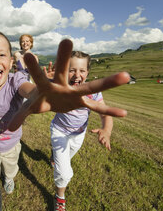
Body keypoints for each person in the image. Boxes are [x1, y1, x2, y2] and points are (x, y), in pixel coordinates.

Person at [0, 28, 130, 211]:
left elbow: (30, 90)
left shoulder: (16, 81)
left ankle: (9, 176)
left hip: (11, 144)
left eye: (1, 54)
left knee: (10, 169)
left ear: (11, 63)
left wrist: (43, 93)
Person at [44, 51, 115, 211]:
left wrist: (106, 130)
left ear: (87, 73)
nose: (77, 75)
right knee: (64, 173)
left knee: (65, 160)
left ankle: (55, 156)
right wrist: (48, 81)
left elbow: (104, 112)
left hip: (79, 134)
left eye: (82, 71)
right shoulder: (61, 86)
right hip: (59, 131)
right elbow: (43, 93)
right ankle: (60, 198)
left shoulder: (94, 91)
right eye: (72, 70)